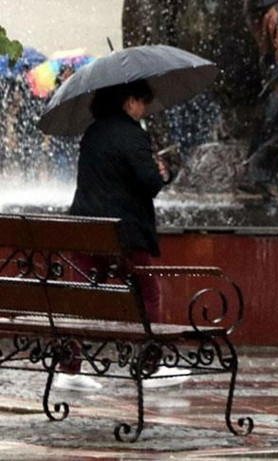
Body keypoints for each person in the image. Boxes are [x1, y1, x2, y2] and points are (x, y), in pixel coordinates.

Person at [55, 79, 187, 391]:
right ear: (129, 102)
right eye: (143, 102)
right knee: (147, 294)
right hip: (124, 235)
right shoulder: (133, 134)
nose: (144, 108)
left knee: (83, 296)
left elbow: (105, 178)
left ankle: (69, 367)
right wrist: (162, 170)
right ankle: (151, 365)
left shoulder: (93, 133)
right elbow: (150, 183)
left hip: (87, 231)